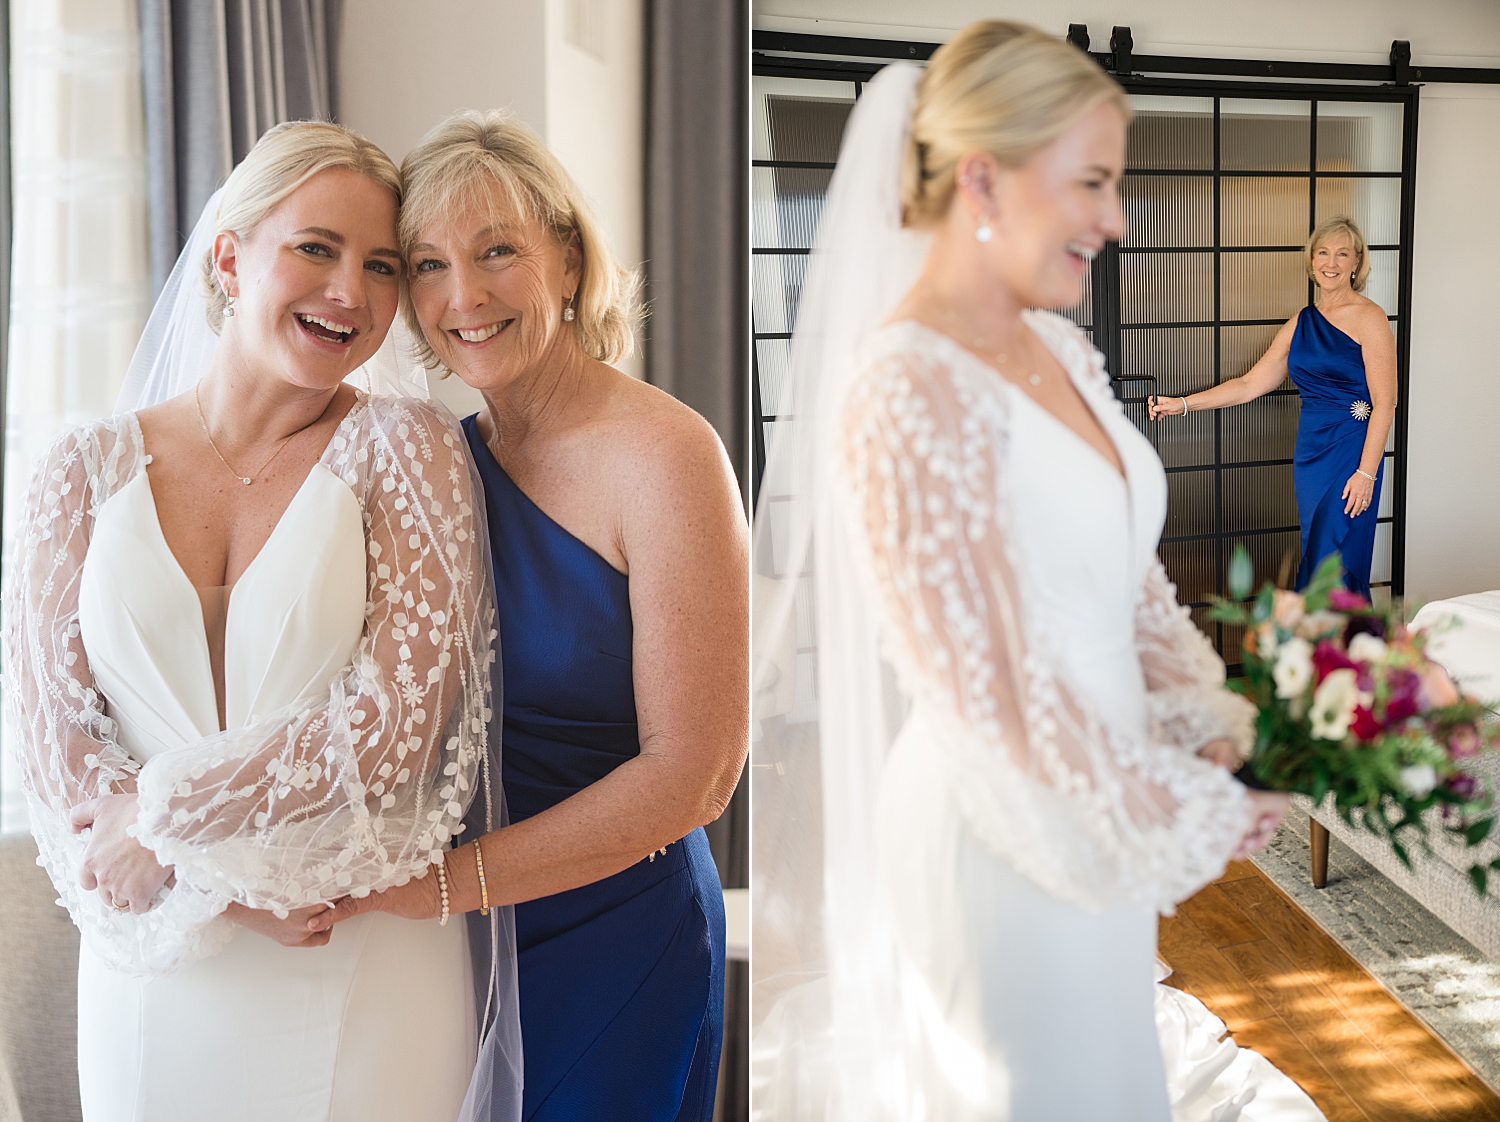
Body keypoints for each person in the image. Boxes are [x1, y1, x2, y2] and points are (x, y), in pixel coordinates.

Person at [750, 23, 1313, 1122]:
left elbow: (1132, 586)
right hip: (999, 838)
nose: (1113, 217)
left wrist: (1215, 719)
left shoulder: (1059, 349)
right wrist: (1199, 805)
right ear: (982, 177)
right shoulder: (901, 391)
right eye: (1093, 182)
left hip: (1103, 802)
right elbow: (991, 698)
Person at [2, 121, 518, 1122]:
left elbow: (398, 733)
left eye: (379, 266)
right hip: (160, 968)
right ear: (231, 257)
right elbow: (57, 748)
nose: (350, 294)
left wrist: (162, 816)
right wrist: (216, 895)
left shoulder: (407, 450)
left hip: (355, 955)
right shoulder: (83, 469)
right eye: (316, 249)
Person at [307, 110, 749, 1122]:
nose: (463, 296)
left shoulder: (665, 455)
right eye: (426, 264)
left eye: (496, 250)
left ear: (567, 259)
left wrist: (443, 885)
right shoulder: (438, 458)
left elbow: (697, 774)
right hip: (454, 944)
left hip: (615, 932)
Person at [1148, 216, 1397, 596]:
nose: (1331, 263)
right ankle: (1321, 651)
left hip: (1351, 452)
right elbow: (1250, 384)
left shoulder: (1370, 317)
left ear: (1357, 261)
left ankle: (1348, 650)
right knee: (1317, 554)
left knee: (1337, 558)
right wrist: (1183, 404)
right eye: (1323, 253)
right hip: (1311, 454)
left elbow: (1386, 401)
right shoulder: (1302, 321)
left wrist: (1367, 473)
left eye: (1342, 254)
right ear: (1312, 260)